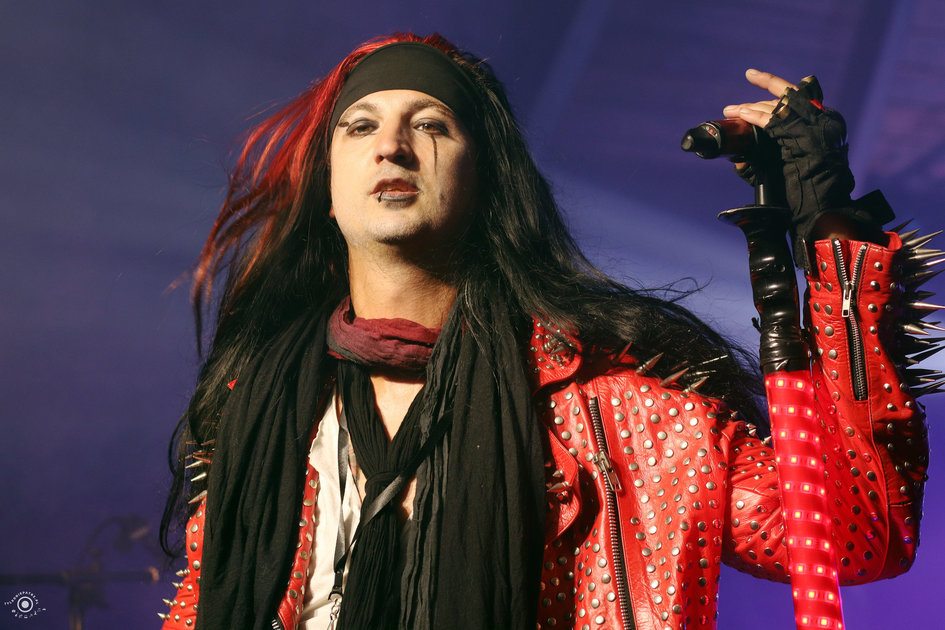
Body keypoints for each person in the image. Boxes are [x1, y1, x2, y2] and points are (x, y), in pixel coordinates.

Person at [158, 32, 934, 630]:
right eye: (359, 127)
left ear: (485, 182)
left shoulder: (635, 419)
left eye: (430, 125)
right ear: (328, 190)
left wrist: (829, 225)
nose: (391, 146)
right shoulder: (255, 417)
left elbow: (855, 536)